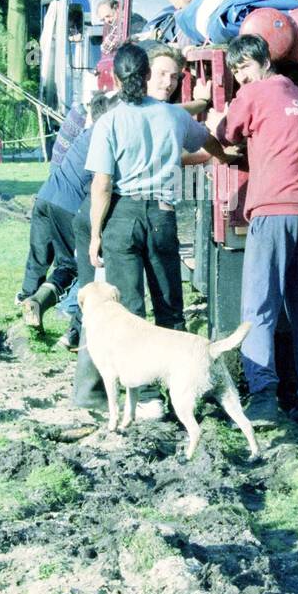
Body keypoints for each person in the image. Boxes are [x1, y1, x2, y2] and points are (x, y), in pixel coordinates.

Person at [71, 44, 232, 410]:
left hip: (122, 218)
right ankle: (181, 386)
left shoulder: (109, 121)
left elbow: (102, 184)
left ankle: (144, 399)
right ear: (146, 76)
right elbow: (205, 138)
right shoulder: (171, 115)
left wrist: (96, 235)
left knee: (129, 311)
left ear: (116, 78)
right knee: (170, 306)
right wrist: (226, 156)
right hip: (162, 216)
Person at [209, 34, 298, 432]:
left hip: (273, 209)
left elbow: (224, 134)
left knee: (259, 307)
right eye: (235, 72)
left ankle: (263, 399)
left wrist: (215, 117)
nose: (240, 77)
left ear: (260, 62)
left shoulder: (256, 93)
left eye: (242, 68)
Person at [18, 91, 118, 346]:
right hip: (69, 206)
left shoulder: (87, 132)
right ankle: (70, 330)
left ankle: (26, 299)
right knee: (72, 267)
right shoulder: (107, 136)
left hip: (46, 196)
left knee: (39, 256)